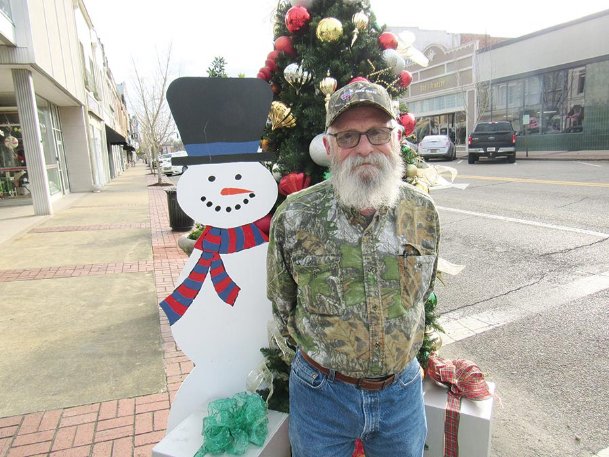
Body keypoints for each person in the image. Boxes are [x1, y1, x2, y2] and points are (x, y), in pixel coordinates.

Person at [267, 80, 440, 457]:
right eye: (348, 137)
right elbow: (282, 303)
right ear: (329, 147)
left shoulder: (421, 212)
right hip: (320, 396)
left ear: (396, 139)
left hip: (402, 395)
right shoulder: (295, 216)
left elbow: (423, 295)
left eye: (377, 133)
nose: (364, 147)